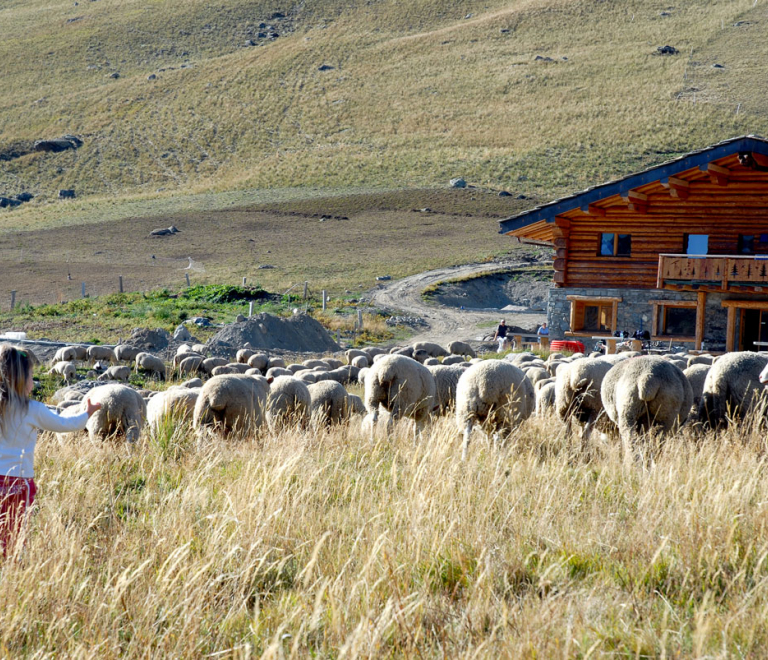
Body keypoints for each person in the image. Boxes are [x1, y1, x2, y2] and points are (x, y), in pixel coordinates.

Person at [0, 345, 100, 556]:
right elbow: (64, 424)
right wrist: (87, 414)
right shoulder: (33, 409)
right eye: (30, 376)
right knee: (17, 533)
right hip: (19, 483)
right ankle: (15, 567)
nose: (33, 381)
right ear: (20, 379)